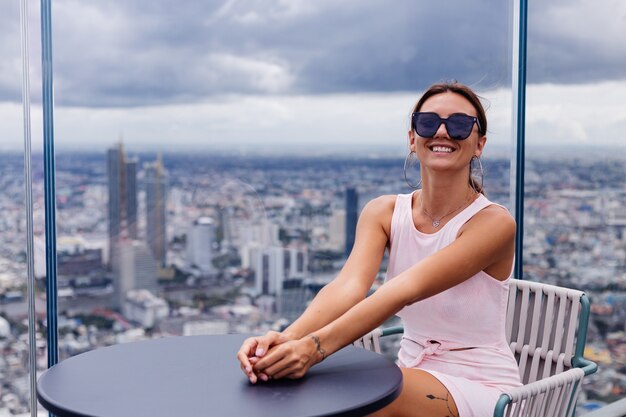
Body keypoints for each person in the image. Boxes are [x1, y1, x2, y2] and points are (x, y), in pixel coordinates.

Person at [237, 82, 523, 417]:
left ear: (480, 144)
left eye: (459, 124)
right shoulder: (383, 212)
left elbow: (404, 290)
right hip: (412, 374)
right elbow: (348, 287)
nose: (443, 132)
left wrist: (314, 350)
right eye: (428, 122)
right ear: (412, 138)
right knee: (310, 389)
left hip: (482, 386)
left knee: (362, 400)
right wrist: (286, 340)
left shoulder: (493, 224)